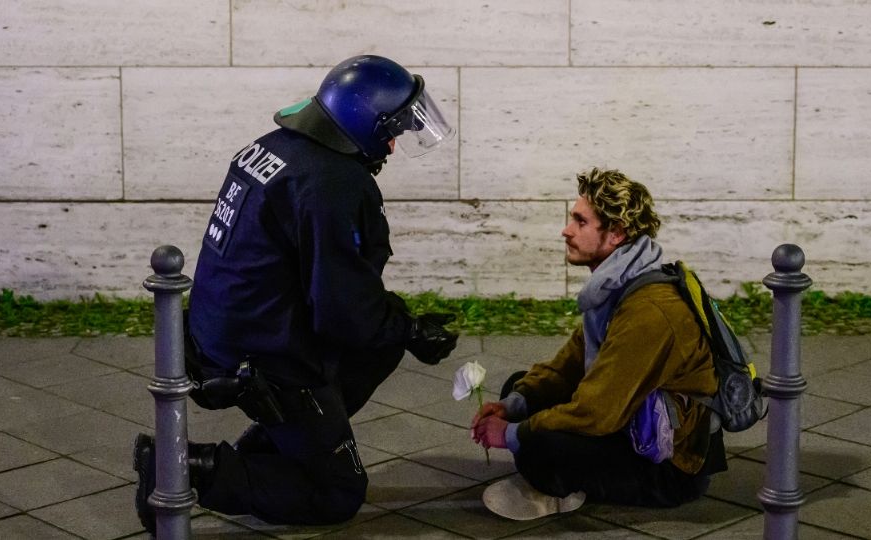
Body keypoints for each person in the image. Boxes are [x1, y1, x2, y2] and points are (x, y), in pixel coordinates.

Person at [133, 55, 460, 533]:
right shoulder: (333, 182)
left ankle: (281, 443)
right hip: (265, 353)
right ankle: (183, 468)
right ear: (360, 121)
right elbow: (342, 310)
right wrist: (410, 329)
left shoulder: (276, 148)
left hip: (224, 330)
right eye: (390, 130)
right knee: (337, 493)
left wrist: (396, 329)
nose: (391, 145)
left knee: (383, 338)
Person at [471, 168, 727, 520]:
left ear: (616, 234)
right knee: (519, 387)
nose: (566, 230)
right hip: (629, 428)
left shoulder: (650, 309)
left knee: (538, 443)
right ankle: (559, 476)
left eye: (580, 222)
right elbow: (568, 366)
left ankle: (560, 489)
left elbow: (596, 412)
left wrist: (513, 434)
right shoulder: (619, 288)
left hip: (670, 471)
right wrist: (512, 406)